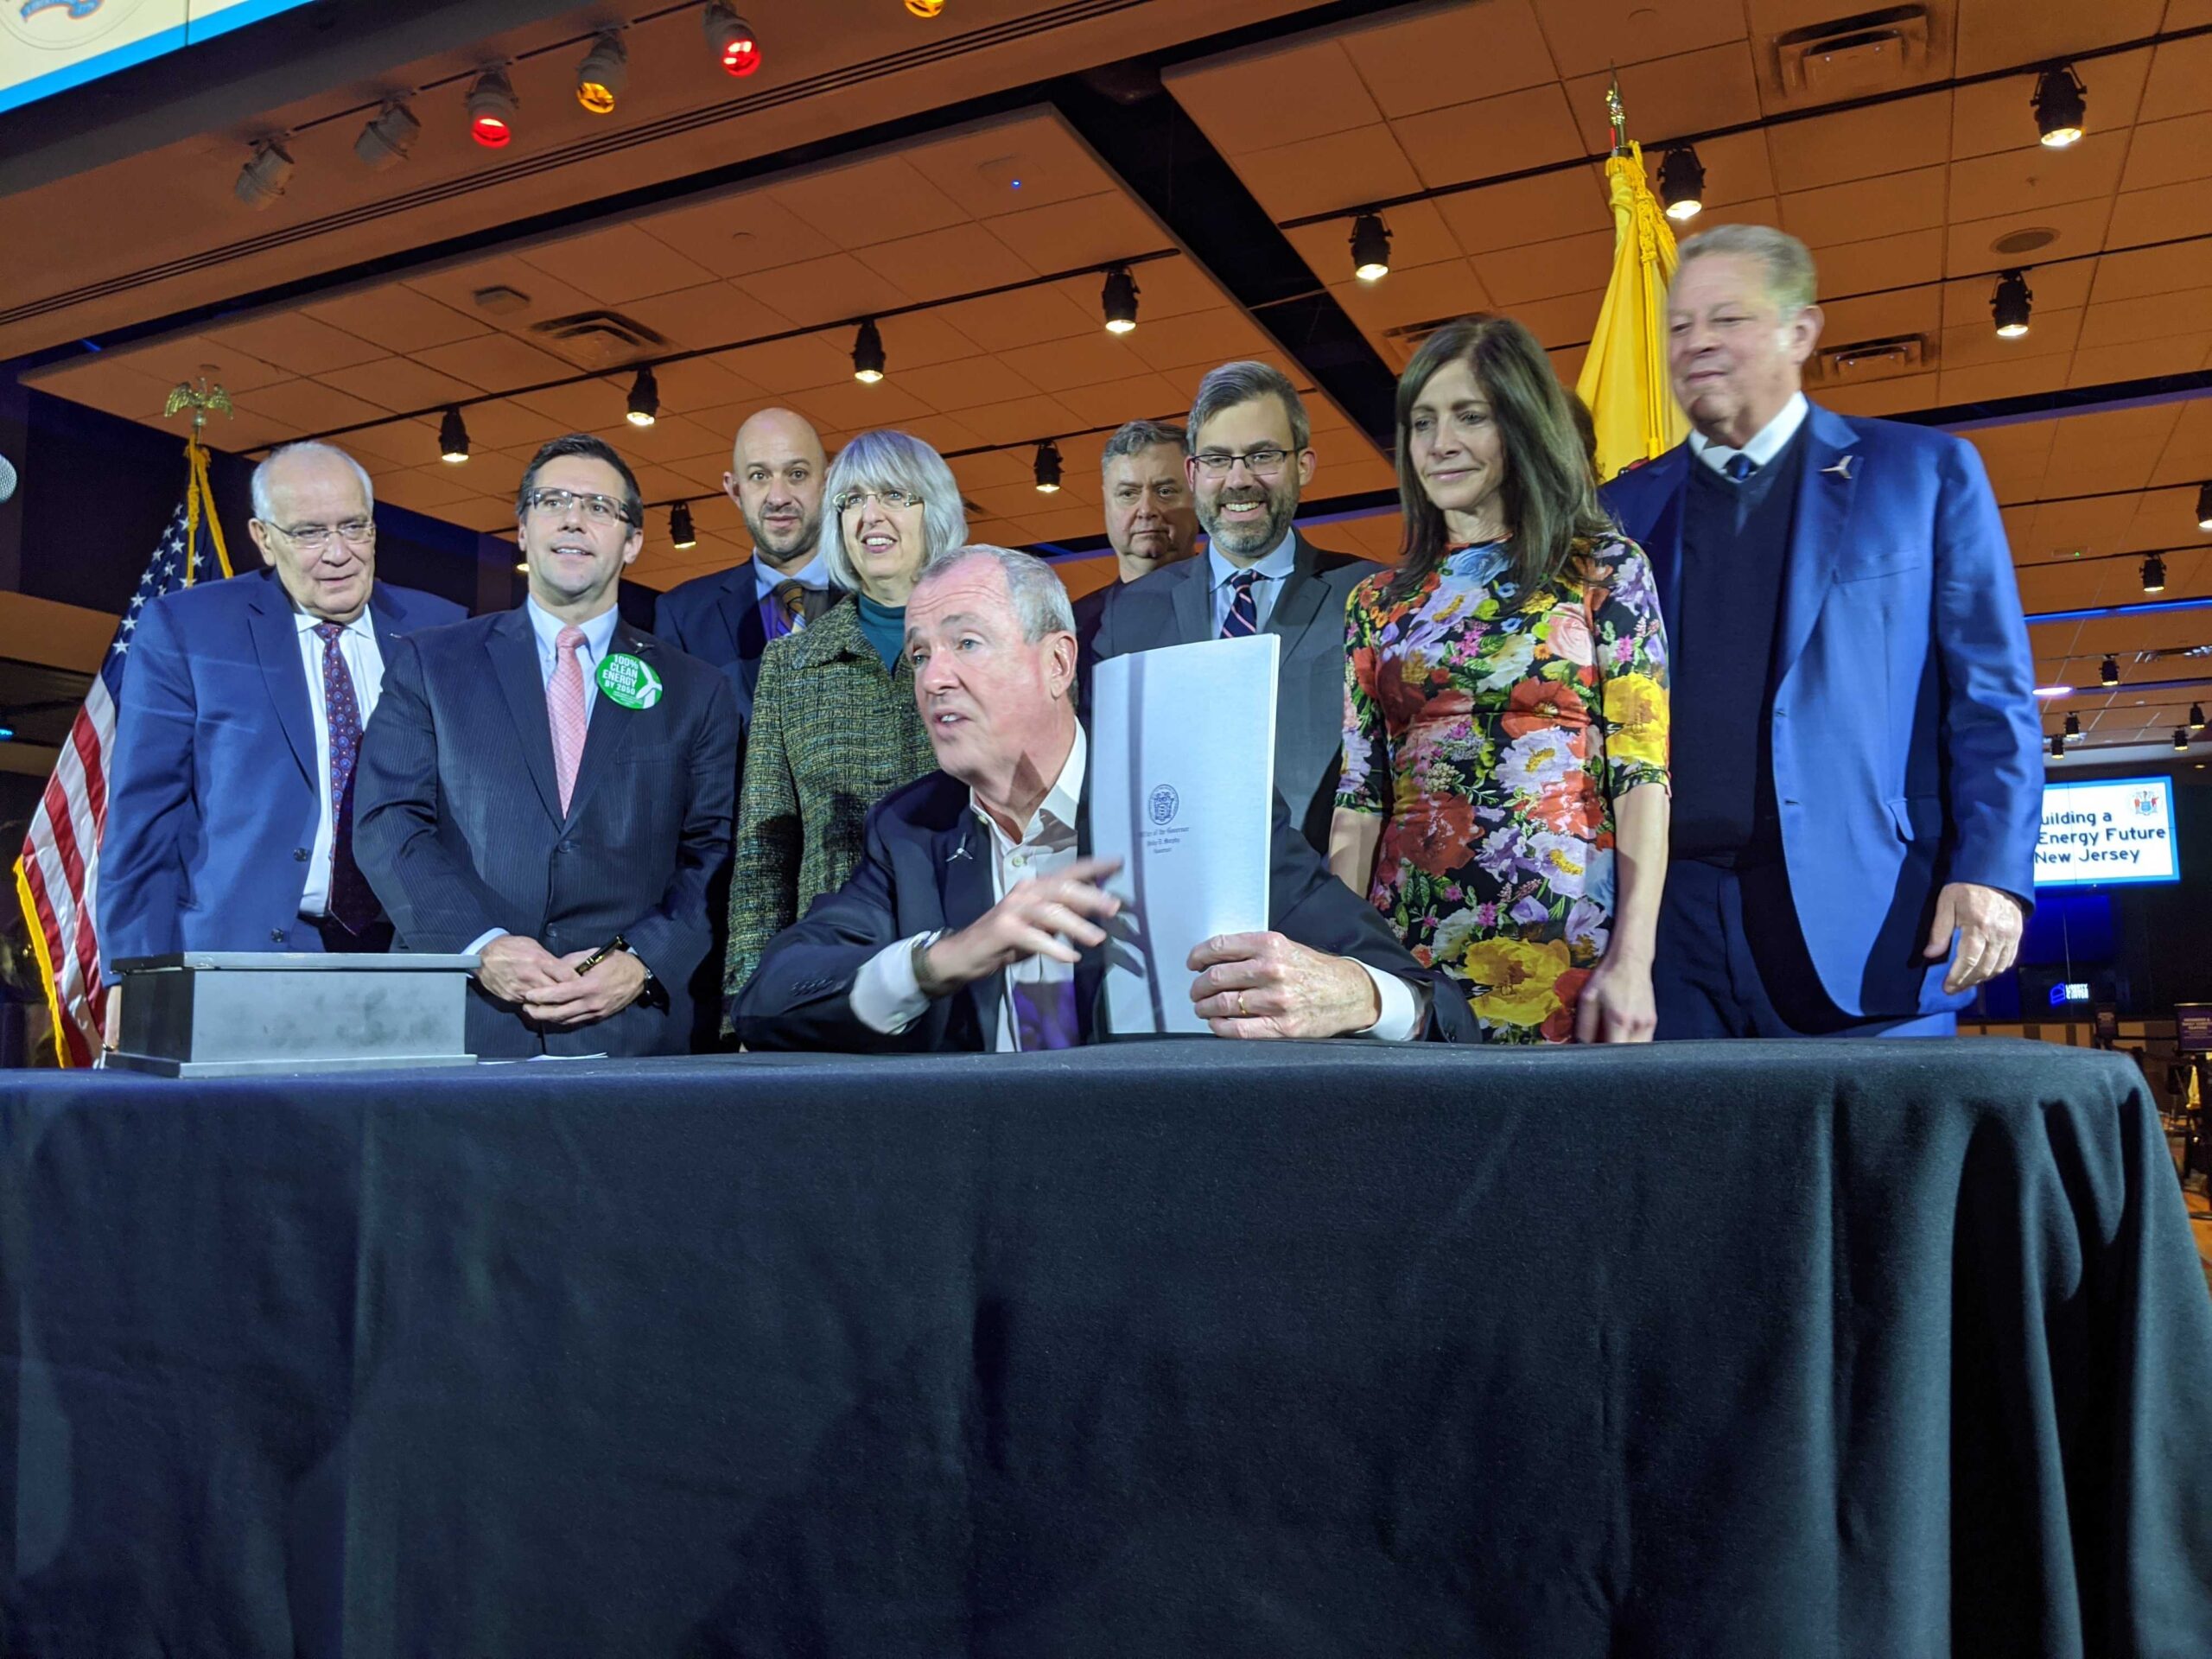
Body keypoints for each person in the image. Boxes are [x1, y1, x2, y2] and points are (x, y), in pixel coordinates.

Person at [730, 545, 1480, 1052]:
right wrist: (944, 958)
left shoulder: (1195, 799)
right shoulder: (912, 831)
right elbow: (770, 1001)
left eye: (966, 643)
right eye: (921, 654)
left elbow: (1441, 1011)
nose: (931, 678)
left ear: (1058, 662)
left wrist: (1360, 996)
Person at [1600, 224, 2040, 1039]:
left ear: (1800, 332)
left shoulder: (1924, 474)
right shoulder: (1617, 512)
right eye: (1680, 326)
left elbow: (1992, 698)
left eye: (1726, 319)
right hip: (1666, 938)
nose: (1696, 344)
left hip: (1870, 918)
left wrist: (1992, 871)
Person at [1332, 315, 1670, 1045]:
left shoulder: (1604, 568)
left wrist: (1635, 957)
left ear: (1520, 424)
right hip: (1407, 947)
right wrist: (1340, 962)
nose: (1439, 443)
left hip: (1565, 939)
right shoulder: (1377, 602)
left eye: (1469, 416)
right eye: (1422, 422)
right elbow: (1359, 800)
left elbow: (1642, 778)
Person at [354, 435, 736, 1058]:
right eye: (552, 500)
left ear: (632, 541)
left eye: (599, 507)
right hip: (461, 1020)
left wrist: (640, 959)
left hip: (630, 1031)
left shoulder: (698, 690)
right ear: (524, 528)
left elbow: (713, 851)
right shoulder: (430, 663)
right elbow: (388, 823)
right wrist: (481, 945)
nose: (573, 519)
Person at [100, 442, 462, 971]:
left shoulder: (442, 630)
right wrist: (132, 975)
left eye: (353, 526)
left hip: (408, 955)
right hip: (234, 956)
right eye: (309, 533)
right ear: (264, 540)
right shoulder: (190, 629)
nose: (338, 553)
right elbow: (144, 821)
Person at [722, 429, 967, 1009]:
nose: (869, 517)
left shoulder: (992, 640)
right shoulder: (790, 664)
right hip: (833, 971)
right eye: (852, 500)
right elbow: (764, 854)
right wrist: (747, 1005)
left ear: (934, 508)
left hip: (967, 954)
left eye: (892, 496)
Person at [1090, 362, 1370, 852]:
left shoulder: (1366, 594)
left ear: (1302, 465)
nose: (1238, 480)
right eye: (1218, 460)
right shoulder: (1130, 615)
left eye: (1263, 456)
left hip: (1325, 906)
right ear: (1194, 473)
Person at [652, 407, 841, 743]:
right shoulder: (683, 616)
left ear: (825, 483)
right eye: (759, 476)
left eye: (797, 474)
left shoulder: (878, 600)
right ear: (734, 489)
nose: (779, 497)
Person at [1071, 418, 1201, 669]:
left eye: (1165, 491)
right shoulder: (1074, 626)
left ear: (1199, 498)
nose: (1146, 510)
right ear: (1106, 502)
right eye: (1128, 494)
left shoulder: (1233, 608)